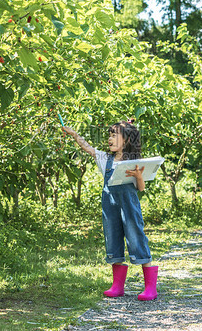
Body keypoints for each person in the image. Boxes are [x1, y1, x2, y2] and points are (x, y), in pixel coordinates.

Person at [62, 119, 158, 301]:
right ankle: (117, 286)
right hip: (110, 207)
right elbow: (87, 148)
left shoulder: (133, 162)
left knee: (136, 239)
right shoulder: (105, 159)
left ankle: (150, 288)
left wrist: (138, 176)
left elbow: (141, 188)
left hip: (129, 207)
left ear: (127, 140)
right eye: (110, 135)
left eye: (115, 135)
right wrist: (74, 134)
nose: (110, 139)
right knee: (112, 240)